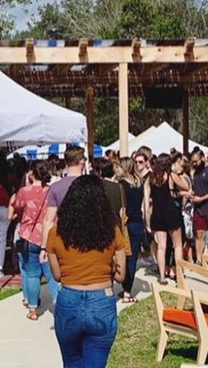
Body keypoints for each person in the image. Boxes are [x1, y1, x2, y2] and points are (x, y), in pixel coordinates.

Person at [45, 176, 126, 368]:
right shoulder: (113, 233)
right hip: (102, 300)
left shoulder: (56, 234)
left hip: (68, 299)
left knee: (71, 362)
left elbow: (57, 275)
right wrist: (110, 265)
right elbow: (121, 276)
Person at [10, 161, 58, 320]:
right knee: (51, 274)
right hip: (48, 235)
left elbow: (16, 206)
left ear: (32, 173)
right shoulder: (51, 191)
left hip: (29, 235)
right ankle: (58, 305)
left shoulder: (24, 191)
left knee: (32, 274)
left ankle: (32, 309)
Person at [39, 146, 86, 269]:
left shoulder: (56, 187)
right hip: (87, 237)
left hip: (64, 237)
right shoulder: (90, 185)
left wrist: (44, 247)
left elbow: (48, 220)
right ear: (81, 161)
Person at [144, 154, 183, 285]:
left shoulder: (150, 178)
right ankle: (178, 274)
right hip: (171, 212)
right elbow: (186, 187)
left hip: (157, 214)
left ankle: (162, 276)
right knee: (177, 245)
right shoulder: (171, 176)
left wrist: (147, 221)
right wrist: (176, 193)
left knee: (161, 247)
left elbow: (146, 201)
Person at [117, 157, 145, 303]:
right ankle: (128, 290)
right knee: (133, 258)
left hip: (125, 224)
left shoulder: (120, 184)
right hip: (138, 222)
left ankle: (125, 286)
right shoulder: (139, 183)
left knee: (123, 256)